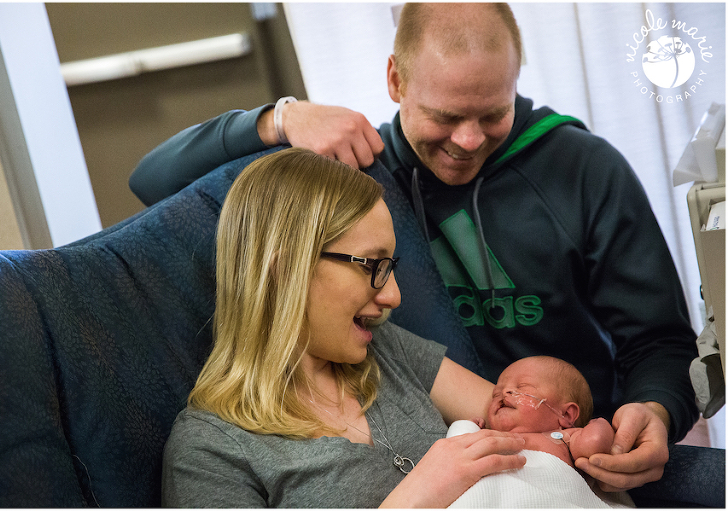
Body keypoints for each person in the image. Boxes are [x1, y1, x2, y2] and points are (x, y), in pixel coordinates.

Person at [133, 3, 698, 493]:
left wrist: (652, 411)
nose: (468, 139)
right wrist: (278, 119)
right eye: (446, 116)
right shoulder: (363, 183)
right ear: (396, 81)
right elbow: (156, 188)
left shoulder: (585, 169)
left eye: (493, 114)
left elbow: (661, 342)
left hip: (568, 439)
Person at [162, 147, 528, 508]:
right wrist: (417, 497)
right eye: (372, 265)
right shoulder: (210, 449)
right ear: (285, 269)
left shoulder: (384, 348)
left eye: (390, 266)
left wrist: (577, 444)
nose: (393, 297)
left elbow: (526, 424)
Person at [446, 355, 633, 508]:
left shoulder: (562, 439)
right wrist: (468, 427)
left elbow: (594, 443)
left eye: (522, 388)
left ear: (567, 415)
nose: (505, 393)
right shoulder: (490, 436)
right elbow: (454, 454)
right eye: (496, 393)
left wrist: (600, 423)